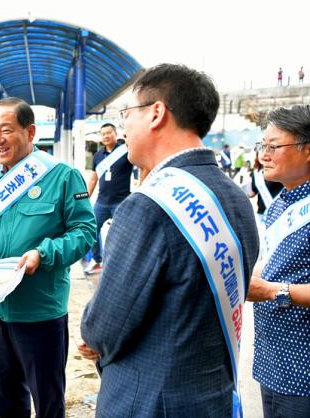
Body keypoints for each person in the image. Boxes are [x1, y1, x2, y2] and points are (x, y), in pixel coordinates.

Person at [80, 64, 259, 417]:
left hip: (148, 401)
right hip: (213, 398)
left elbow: (103, 327)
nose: (124, 126)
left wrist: (93, 333)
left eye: (127, 113)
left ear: (157, 113)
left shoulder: (147, 206)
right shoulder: (236, 197)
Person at [0, 97, 97, 417]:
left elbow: (85, 232)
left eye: (6, 130)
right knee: (5, 399)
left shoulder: (61, 177)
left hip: (40, 314)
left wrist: (43, 254)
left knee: (48, 400)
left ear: (30, 131)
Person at [247, 105, 310, 417]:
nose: (263, 155)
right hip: (272, 361)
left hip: (304, 371)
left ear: (307, 150)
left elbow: (273, 284)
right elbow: (270, 267)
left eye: (273, 146)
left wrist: (272, 291)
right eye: (262, 146)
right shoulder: (278, 206)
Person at [85, 123, 133, 273]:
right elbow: (93, 178)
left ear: (115, 133)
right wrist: (85, 199)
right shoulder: (98, 155)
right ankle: (97, 260)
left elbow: (143, 165)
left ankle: (123, 265)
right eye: (103, 134)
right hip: (101, 201)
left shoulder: (125, 150)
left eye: (108, 133)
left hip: (121, 201)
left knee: (123, 235)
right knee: (91, 229)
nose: (105, 136)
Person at [250, 149, 283, 218]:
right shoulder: (255, 173)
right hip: (262, 211)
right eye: (261, 153)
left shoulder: (281, 170)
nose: (264, 156)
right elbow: (254, 192)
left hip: (280, 210)